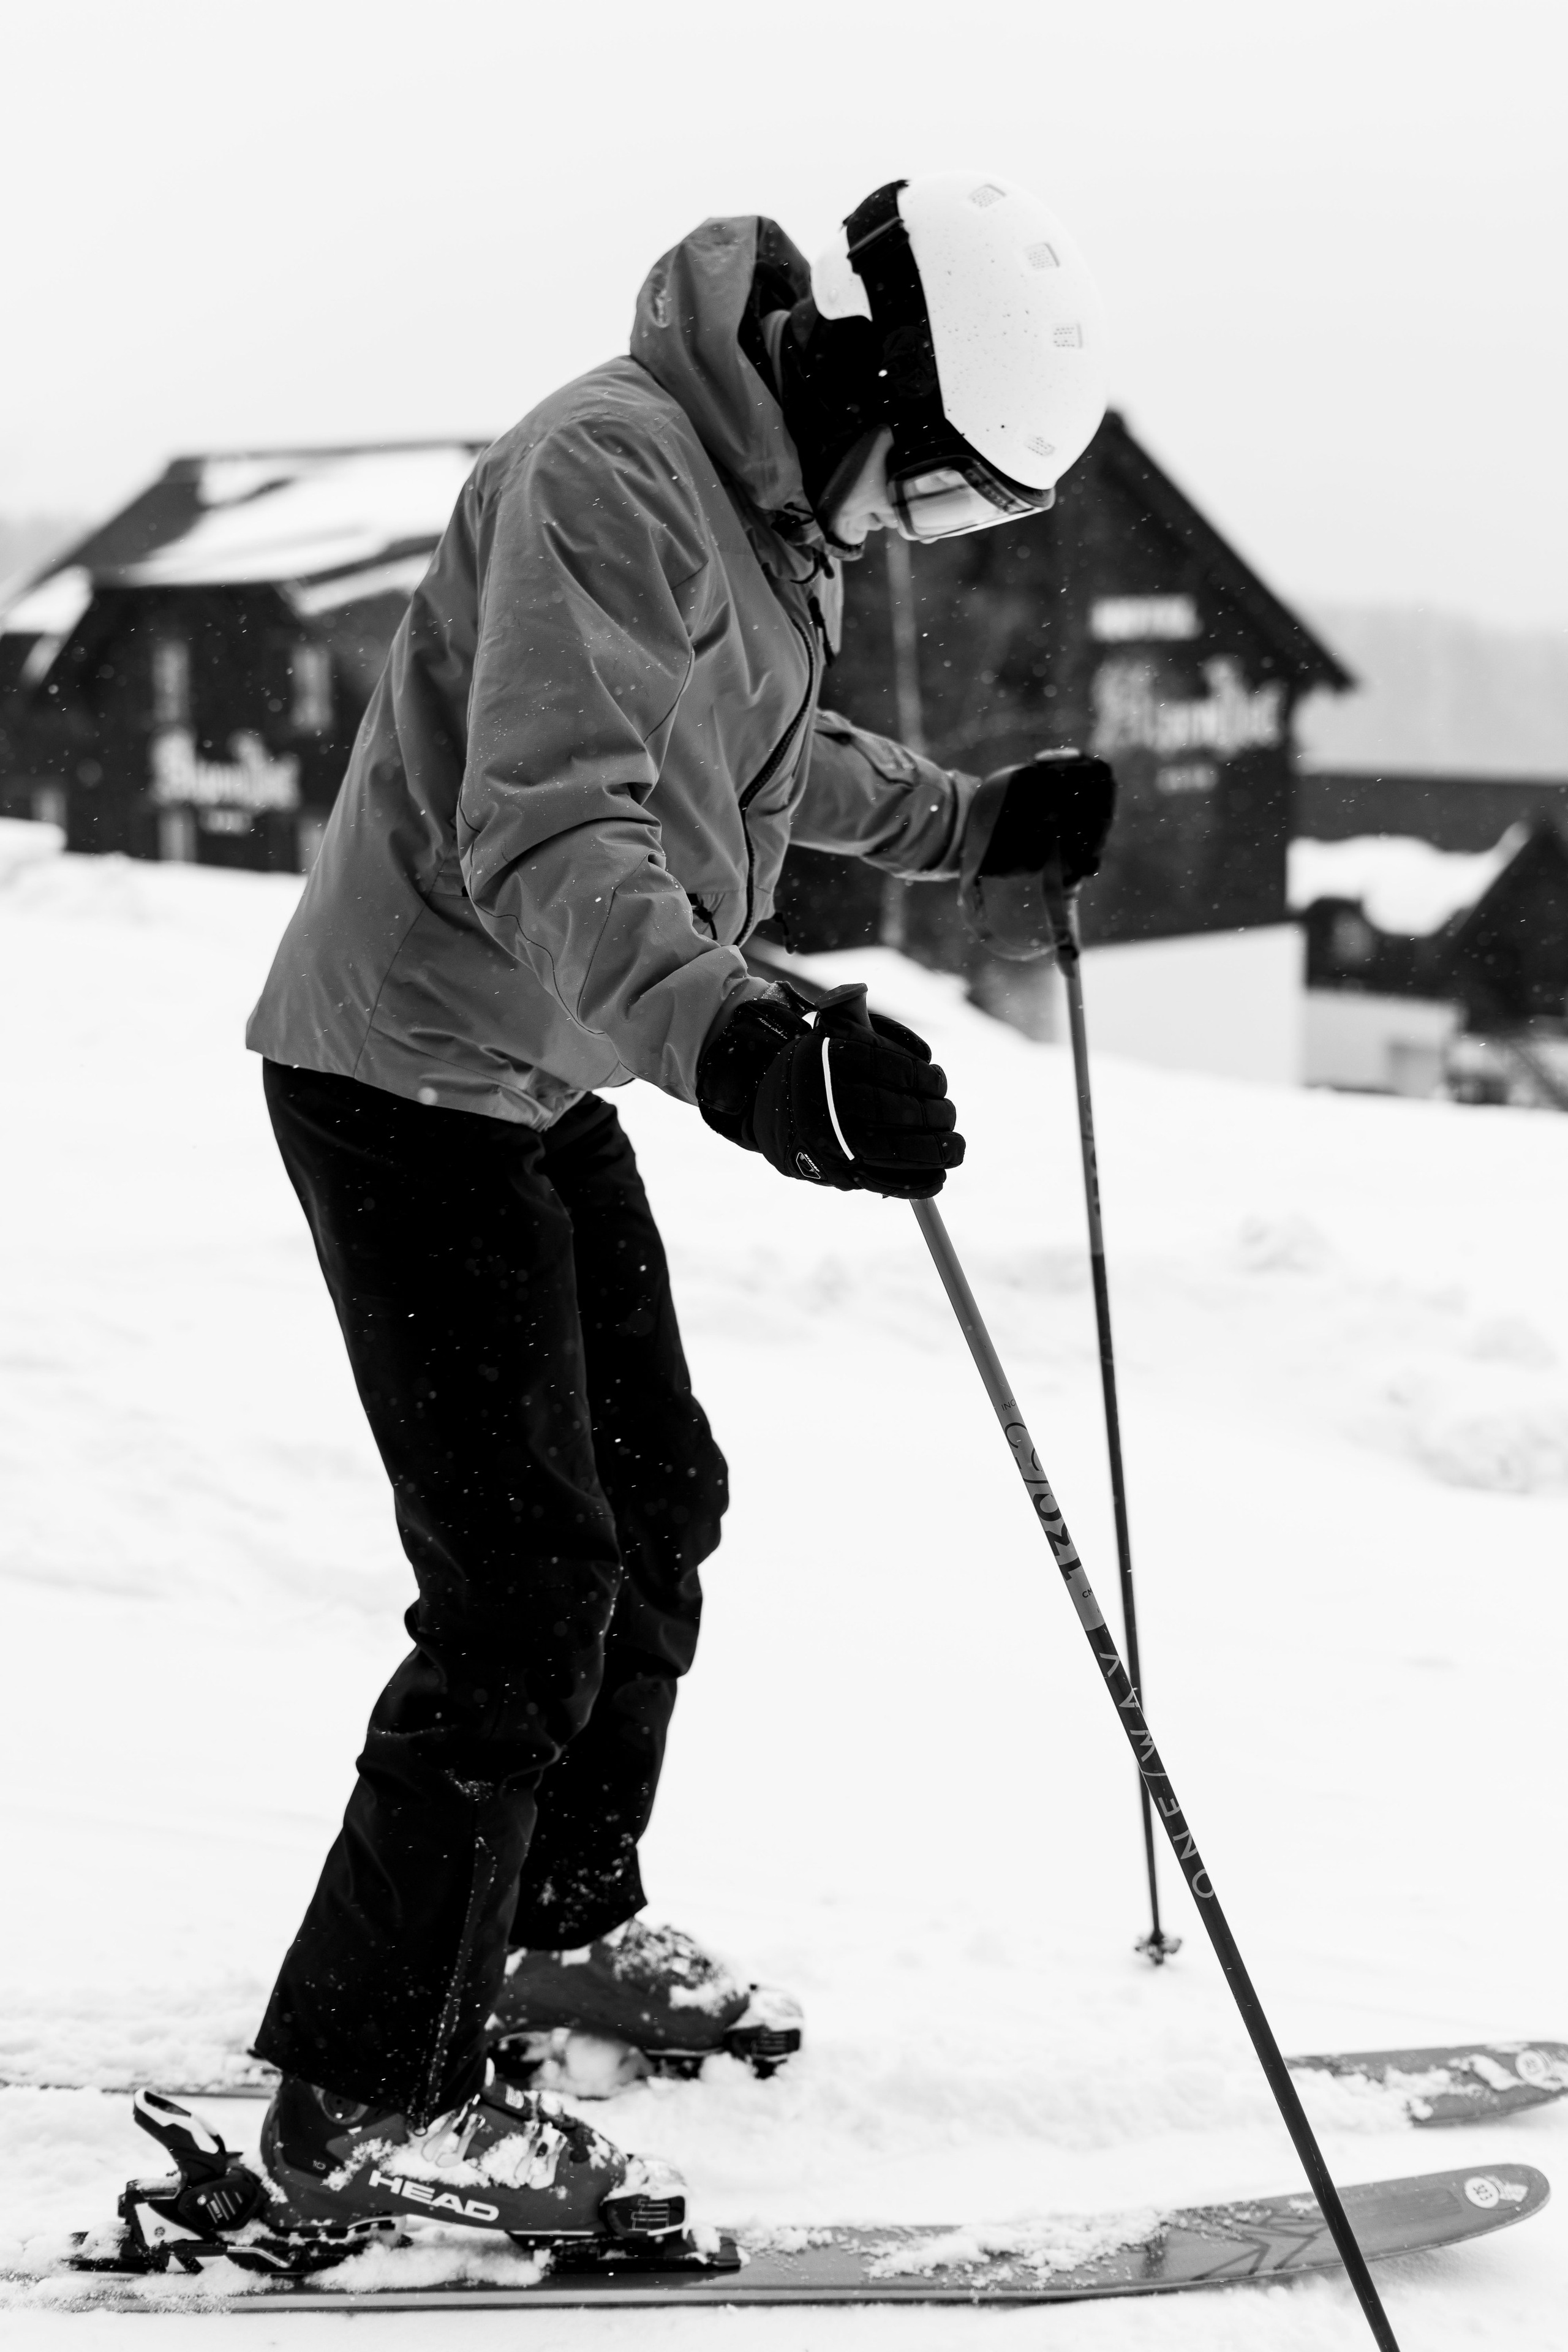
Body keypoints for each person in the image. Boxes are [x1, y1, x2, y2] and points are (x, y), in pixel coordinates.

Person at [244, 170, 1118, 2245]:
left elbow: (752, 746)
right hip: (406, 1071)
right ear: (882, 387)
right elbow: (558, 828)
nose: (921, 532)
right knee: (523, 1584)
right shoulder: (611, 475)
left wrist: (964, 823)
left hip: (529, 1060)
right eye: (946, 497)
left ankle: (547, 1927)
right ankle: (367, 2094)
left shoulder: (760, 504)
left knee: (653, 1491)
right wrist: (746, 1045)